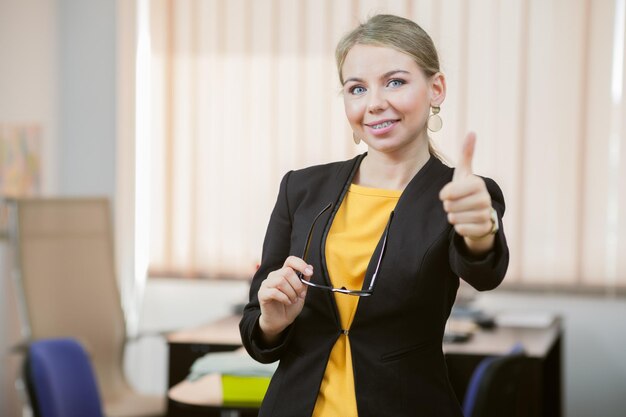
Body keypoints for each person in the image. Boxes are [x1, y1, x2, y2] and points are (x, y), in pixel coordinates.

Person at [239, 14, 509, 417]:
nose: (375, 103)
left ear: (436, 88)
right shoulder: (301, 189)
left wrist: (481, 228)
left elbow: (484, 271)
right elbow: (256, 331)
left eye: (395, 82)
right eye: (357, 88)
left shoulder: (462, 194)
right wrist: (272, 321)